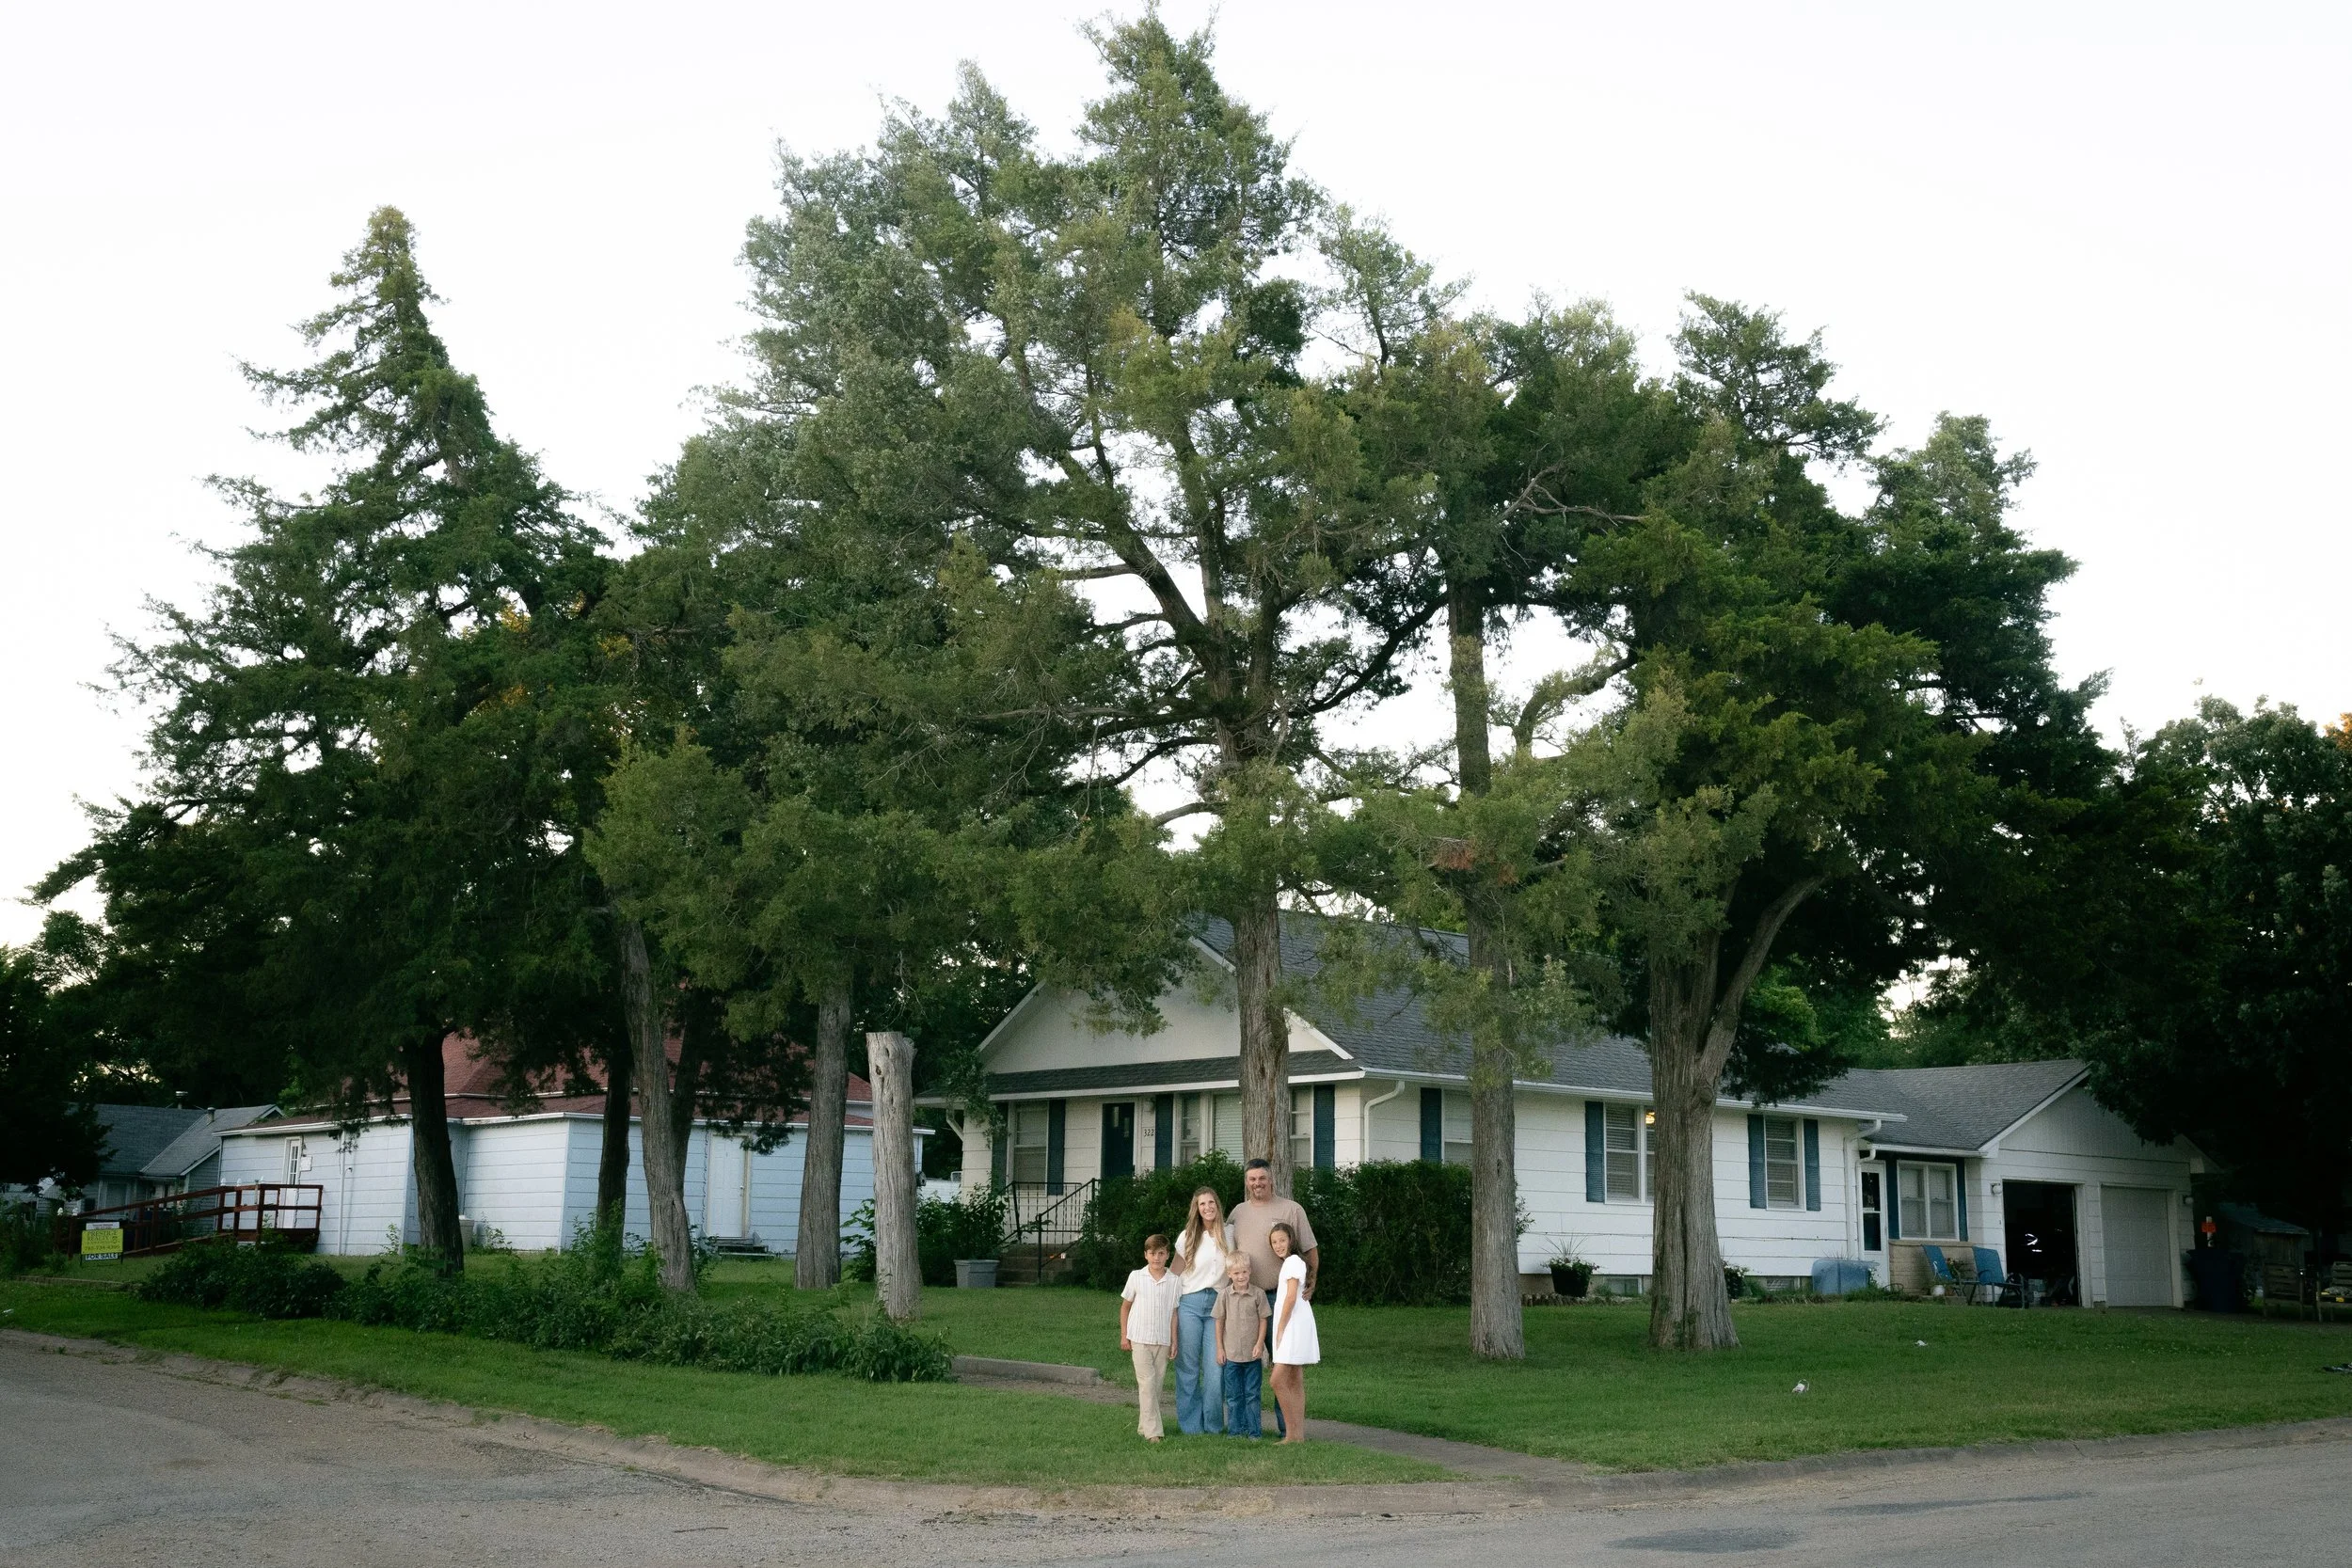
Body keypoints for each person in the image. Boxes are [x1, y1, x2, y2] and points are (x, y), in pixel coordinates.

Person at [1231, 1157, 1317, 1434]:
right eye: (1252, 1179)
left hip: (1281, 1299)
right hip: (1246, 1299)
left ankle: (1287, 1429)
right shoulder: (1238, 1213)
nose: (1257, 1183)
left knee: (1285, 1366)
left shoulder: (1291, 1209)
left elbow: (1311, 1250)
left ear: (1272, 1179)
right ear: (1247, 1182)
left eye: (1262, 1178)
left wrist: (1312, 1281)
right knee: (1244, 1364)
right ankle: (1246, 1428)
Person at [1169, 1185, 1234, 1435]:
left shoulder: (1230, 1234)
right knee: (1188, 1368)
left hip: (1217, 1306)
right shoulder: (1187, 1236)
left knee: (1215, 1369)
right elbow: (1174, 1274)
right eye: (1202, 1204)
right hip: (1190, 1304)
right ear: (1196, 1209)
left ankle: (1214, 1426)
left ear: (1217, 1205)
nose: (1207, 1208)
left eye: (1211, 1203)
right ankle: (1191, 1428)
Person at [1118, 1233, 1184, 1442]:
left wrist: (1174, 1340)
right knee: (1146, 1383)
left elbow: (1174, 1312)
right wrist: (1124, 1336)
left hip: (1162, 1340)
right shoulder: (1136, 1276)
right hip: (1139, 1337)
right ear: (1146, 1255)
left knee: (1155, 1386)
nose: (1157, 1258)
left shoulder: (1174, 1281)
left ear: (1167, 1255)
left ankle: (1142, 1426)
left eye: (1161, 1253)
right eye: (1152, 1254)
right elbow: (1125, 1307)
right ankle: (1154, 1432)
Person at [1268, 1220, 1318, 1443]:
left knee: (1277, 1380)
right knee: (1295, 1380)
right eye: (1274, 1242)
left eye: (1282, 1240)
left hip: (1293, 1324)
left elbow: (1290, 1297)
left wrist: (1280, 1328)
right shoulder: (1292, 1262)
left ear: (1291, 1240)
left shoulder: (1292, 1262)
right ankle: (1298, 1436)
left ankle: (1290, 1434)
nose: (1278, 1245)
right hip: (1296, 1321)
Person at [1213, 1253, 1268, 1439]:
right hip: (1231, 1356)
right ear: (1229, 1274)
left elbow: (1263, 1320)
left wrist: (1260, 1344)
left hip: (1253, 1356)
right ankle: (1235, 1431)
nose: (1241, 1276)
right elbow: (1219, 1321)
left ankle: (1254, 1432)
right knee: (1233, 1396)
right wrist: (1220, 1348)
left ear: (1250, 1271)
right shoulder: (1224, 1296)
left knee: (1252, 1395)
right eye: (1236, 1273)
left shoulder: (1258, 1294)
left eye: (1244, 1272)